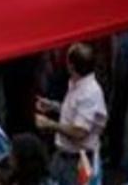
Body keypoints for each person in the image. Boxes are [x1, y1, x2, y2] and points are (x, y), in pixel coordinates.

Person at [34, 43, 106, 185]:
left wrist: (49, 124)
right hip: (63, 158)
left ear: (71, 66)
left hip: (77, 165)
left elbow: (80, 131)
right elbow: (76, 112)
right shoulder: (76, 84)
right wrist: (53, 106)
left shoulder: (89, 93)